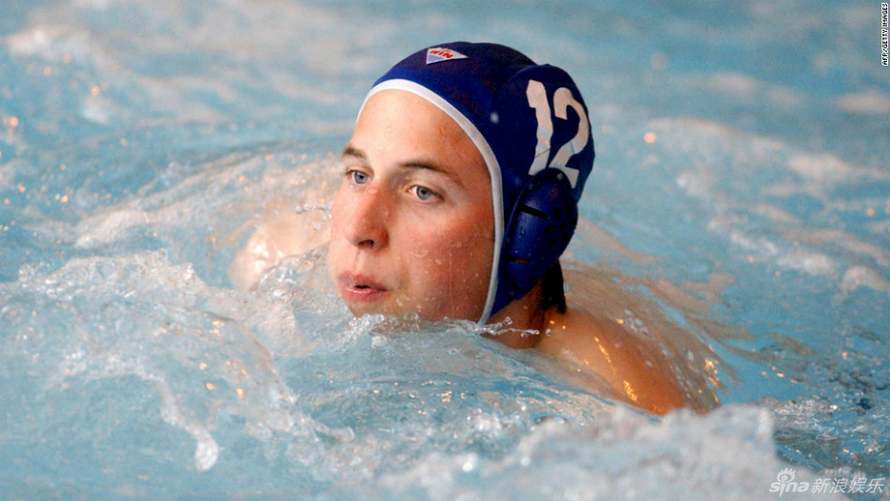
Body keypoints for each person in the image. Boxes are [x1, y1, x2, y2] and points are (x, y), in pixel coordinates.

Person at [232, 42, 698, 415]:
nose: (358, 230)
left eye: (421, 192)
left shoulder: (622, 398)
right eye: (359, 175)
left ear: (528, 235)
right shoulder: (275, 262)